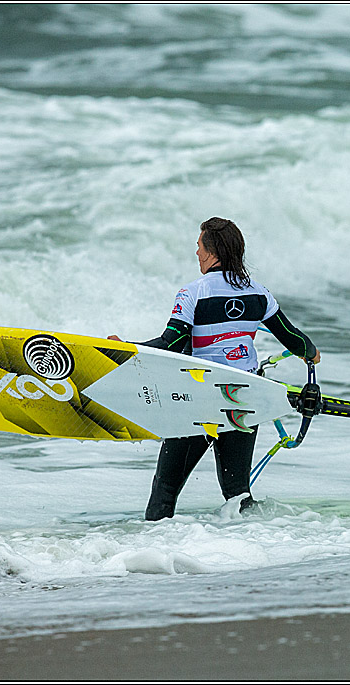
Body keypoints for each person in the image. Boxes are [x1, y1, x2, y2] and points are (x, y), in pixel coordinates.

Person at [110, 217, 320, 521]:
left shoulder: (193, 293)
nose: (196, 252)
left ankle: (155, 546)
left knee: (166, 490)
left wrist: (126, 349)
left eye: (199, 246)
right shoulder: (259, 294)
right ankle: (261, 541)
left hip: (199, 399)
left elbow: (172, 344)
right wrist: (310, 353)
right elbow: (293, 338)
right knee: (238, 494)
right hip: (242, 397)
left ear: (212, 252)